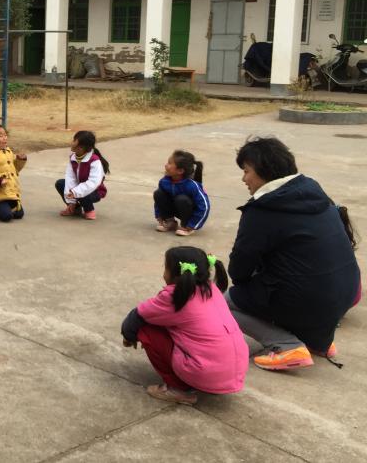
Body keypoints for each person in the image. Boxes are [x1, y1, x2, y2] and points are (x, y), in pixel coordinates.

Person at [226, 137, 360, 370]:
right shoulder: (315, 193)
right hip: (346, 293)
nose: (243, 178)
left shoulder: (262, 209)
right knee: (300, 279)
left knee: (224, 303)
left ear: (263, 170)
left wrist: (245, 289)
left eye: (246, 171)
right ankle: (319, 342)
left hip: (309, 301)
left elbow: (239, 268)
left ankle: (286, 345)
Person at [121, 246, 248, 405]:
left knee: (146, 329)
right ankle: (201, 379)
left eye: (165, 268)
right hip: (234, 371)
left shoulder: (175, 296)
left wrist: (128, 335)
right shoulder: (211, 289)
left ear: (174, 274)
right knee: (166, 323)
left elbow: (138, 315)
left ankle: (179, 389)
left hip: (206, 373)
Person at [153, 150, 211, 236]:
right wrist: (159, 214)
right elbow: (158, 202)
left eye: (169, 163)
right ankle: (170, 222)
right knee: (158, 193)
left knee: (181, 199)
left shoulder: (192, 186)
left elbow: (204, 206)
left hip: (188, 211)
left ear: (180, 171)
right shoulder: (164, 181)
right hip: (175, 208)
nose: (166, 165)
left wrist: (193, 224)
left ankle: (186, 226)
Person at [56, 131, 109, 220]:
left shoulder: (94, 161)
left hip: (95, 191)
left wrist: (75, 191)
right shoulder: (73, 158)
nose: (71, 142)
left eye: (74, 140)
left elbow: (93, 183)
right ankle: (75, 208)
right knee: (60, 183)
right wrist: (71, 199)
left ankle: (89, 210)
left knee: (83, 191)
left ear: (81, 147)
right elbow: (70, 178)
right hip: (79, 187)